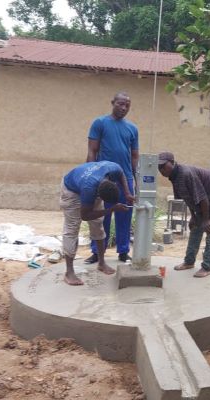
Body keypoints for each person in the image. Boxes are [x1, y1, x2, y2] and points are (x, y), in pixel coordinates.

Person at [84, 92, 139, 264]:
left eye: (127, 106)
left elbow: (134, 155)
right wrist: (92, 174)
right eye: (120, 104)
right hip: (104, 179)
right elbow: (92, 150)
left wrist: (135, 177)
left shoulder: (132, 128)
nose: (123, 108)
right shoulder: (100, 123)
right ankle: (97, 252)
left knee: (125, 215)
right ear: (113, 102)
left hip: (126, 178)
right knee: (101, 216)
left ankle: (123, 252)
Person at [60, 161, 134, 286]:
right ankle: (69, 272)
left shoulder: (113, 168)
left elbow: (121, 174)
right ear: (98, 195)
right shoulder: (89, 189)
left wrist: (127, 193)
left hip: (88, 183)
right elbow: (85, 216)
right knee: (72, 228)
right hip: (72, 191)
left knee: (98, 225)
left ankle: (101, 263)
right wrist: (110, 210)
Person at [158, 152, 210, 278]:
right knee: (196, 227)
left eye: (164, 166)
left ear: (172, 163)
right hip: (206, 201)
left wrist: (206, 219)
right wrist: (194, 216)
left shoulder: (186, 174)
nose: (162, 170)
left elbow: (202, 199)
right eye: (159, 167)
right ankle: (189, 262)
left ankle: (206, 267)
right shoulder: (174, 177)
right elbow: (189, 198)